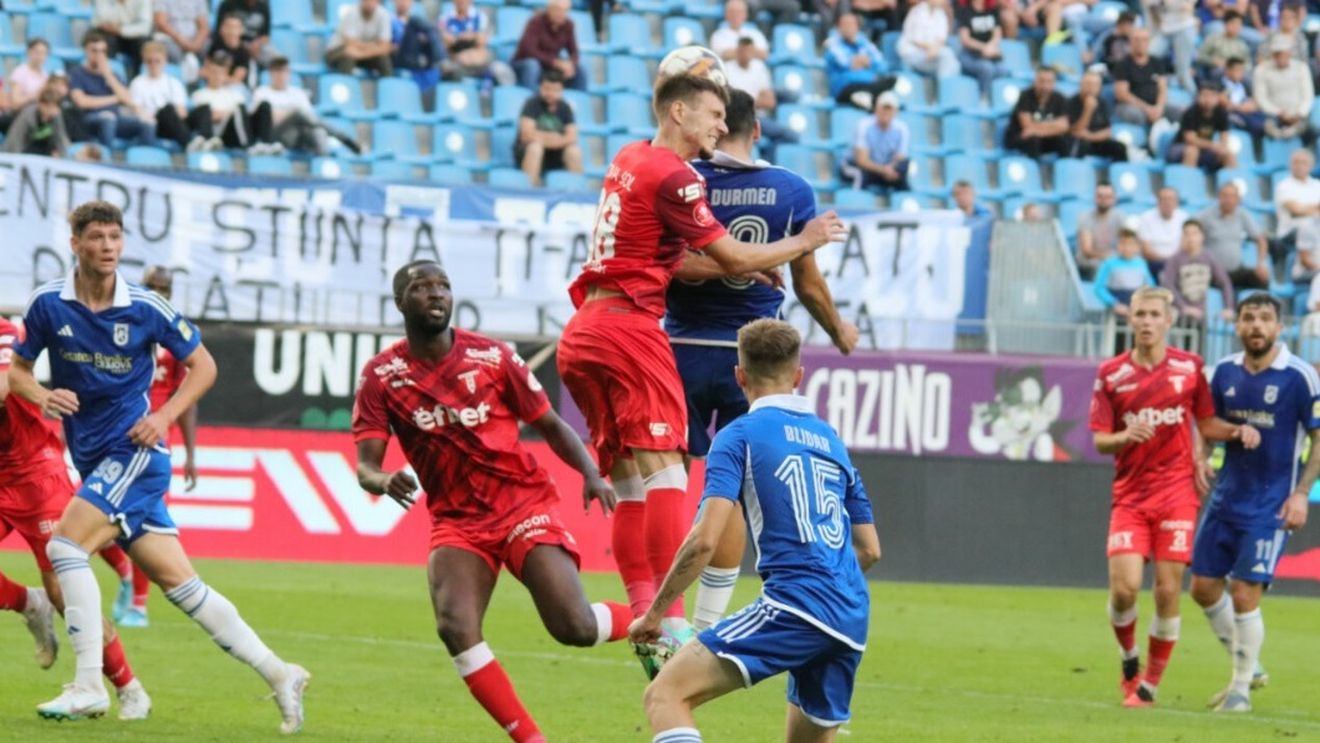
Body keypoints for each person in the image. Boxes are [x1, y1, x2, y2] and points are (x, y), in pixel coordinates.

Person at [556, 74, 846, 667]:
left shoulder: (630, 157)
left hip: (585, 331)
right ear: (679, 111)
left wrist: (726, 269)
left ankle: (645, 616)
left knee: (633, 479)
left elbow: (682, 261)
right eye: (712, 114)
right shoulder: (680, 177)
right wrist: (803, 239)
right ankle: (679, 625)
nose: (720, 125)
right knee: (671, 480)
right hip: (634, 331)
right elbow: (735, 255)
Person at [8, 200, 307, 729]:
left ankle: (87, 685)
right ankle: (280, 672)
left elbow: (204, 365)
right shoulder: (48, 305)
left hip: (136, 453)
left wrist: (165, 416)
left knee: (64, 547)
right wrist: (43, 395)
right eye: (97, 237)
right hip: (96, 457)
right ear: (74, 243)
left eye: (116, 238)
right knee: (184, 587)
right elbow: (20, 372)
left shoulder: (145, 307)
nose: (108, 247)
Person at [353, 261, 635, 743]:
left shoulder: (492, 356)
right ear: (401, 303)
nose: (436, 294)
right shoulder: (382, 375)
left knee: (576, 627)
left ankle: (653, 620)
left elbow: (549, 423)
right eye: (421, 288)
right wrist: (380, 481)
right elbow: (366, 464)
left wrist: (591, 473)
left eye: (443, 285)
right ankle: (531, 739)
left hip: (522, 504)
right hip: (458, 521)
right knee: (455, 627)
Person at [630, 318, 882, 743]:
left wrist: (655, 615)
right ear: (798, 376)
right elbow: (871, 550)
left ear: (739, 376)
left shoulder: (738, 435)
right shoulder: (831, 439)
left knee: (665, 696)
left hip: (795, 605)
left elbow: (704, 539)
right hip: (850, 616)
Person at [666, 89, 860, 631]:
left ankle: (658, 611)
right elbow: (809, 282)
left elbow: (669, 261)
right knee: (728, 490)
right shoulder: (789, 189)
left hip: (679, 349)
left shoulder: (682, 178)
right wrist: (839, 331)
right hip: (751, 358)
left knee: (667, 484)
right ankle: (704, 628)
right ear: (756, 130)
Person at [1089, 286, 1261, 708]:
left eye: (1154, 315)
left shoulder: (1189, 369)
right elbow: (1099, 441)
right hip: (1130, 495)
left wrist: (1238, 430)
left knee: (1168, 590)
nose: (1146, 321)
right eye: (1140, 314)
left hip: (1177, 494)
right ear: (1130, 319)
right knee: (1125, 589)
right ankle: (1129, 656)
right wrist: (1125, 436)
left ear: (1169, 321)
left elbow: (1206, 424)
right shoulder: (1111, 373)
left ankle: (1149, 685)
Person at [0, 316, 151, 720]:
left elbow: (2, 388)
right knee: (48, 596)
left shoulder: (4, 332)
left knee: (65, 594)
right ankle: (26, 603)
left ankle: (128, 687)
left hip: (35, 474)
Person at [1191, 293, 1316, 712]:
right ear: (1238, 325)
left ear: (1279, 327)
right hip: (1226, 497)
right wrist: (1203, 455)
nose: (1256, 326)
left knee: (1245, 591)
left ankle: (1240, 690)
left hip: (1271, 503)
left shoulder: (1299, 377)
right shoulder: (1224, 371)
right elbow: (1206, 422)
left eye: (1265, 319)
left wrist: (1300, 493)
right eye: (1248, 318)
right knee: (1204, 588)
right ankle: (1252, 666)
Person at [114, 266, 199, 628]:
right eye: (153, 287)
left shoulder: (177, 336)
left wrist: (192, 453)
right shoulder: (125, 324)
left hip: (155, 434)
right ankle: (125, 575)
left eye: (164, 288)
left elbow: (189, 395)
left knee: (144, 520)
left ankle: (139, 604)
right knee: (90, 512)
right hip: (117, 429)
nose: (159, 293)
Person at [70, 30, 158, 149]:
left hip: (116, 119)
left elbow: (127, 99)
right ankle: (107, 162)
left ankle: (144, 161)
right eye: (94, 51)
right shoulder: (77, 73)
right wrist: (115, 99)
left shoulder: (112, 75)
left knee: (147, 124)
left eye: (102, 51)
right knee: (108, 118)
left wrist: (107, 74)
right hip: (89, 119)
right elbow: (82, 102)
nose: (99, 55)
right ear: (86, 51)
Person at [191, 50, 281, 154]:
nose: (217, 76)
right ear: (208, 73)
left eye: (220, 73)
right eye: (214, 72)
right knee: (238, 109)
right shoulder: (200, 94)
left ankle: (266, 144)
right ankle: (249, 146)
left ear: (226, 75)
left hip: (240, 126)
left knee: (264, 105)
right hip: (221, 135)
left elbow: (245, 116)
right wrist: (229, 113)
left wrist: (226, 113)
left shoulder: (234, 94)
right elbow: (207, 116)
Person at [129, 40, 209, 152]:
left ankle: (205, 141)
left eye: (157, 61)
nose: (153, 64)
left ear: (165, 61)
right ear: (144, 62)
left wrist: (176, 118)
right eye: (149, 61)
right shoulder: (137, 83)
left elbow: (182, 111)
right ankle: (189, 142)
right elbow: (137, 110)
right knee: (167, 110)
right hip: (155, 124)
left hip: (175, 122)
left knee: (204, 109)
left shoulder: (174, 82)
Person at [726, 37, 798, 160]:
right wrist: (756, 101)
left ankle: (766, 162)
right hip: (736, 117)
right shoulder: (727, 69)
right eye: (743, 51)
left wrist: (745, 103)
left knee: (791, 136)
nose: (746, 54)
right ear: (737, 51)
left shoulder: (759, 67)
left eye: (749, 51)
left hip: (757, 117)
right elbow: (729, 103)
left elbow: (770, 102)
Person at [515, 68, 582, 188]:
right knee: (535, 148)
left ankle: (579, 195)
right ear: (540, 88)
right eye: (547, 89)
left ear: (561, 90)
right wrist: (555, 138)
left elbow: (572, 137)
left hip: (555, 155)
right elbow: (526, 135)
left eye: (555, 90)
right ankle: (529, 191)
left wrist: (541, 137)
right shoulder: (531, 104)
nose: (550, 93)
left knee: (573, 151)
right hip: (529, 153)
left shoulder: (565, 107)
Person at [1159, 220, 1236, 323]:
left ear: (1202, 236)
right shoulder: (1175, 259)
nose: (1191, 238)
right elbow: (1168, 285)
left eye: (1194, 233)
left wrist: (1228, 307)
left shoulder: (1209, 257)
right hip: (1180, 316)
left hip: (1201, 315)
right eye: (1186, 234)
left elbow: (1225, 282)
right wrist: (1183, 307)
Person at [1197, 182, 1271, 289]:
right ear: (1219, 197)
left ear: (1238, 199)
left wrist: (1261, 264)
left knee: (1262, 280)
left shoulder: (1242, 215)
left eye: (1232, 196)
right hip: (1212, 272)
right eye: (1225, 196)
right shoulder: (1206, 216)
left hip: (1236, 270)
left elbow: (1260, 240)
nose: (1228, 200)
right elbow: (1191, 231)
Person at [253, 56, 328, 155]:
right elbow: (260, 120)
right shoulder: (261, 92)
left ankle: (323, 160)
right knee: (297, 114)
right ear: (270, 73)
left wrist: (282, 114)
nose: (280, 75)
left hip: (297, 134)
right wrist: (291, 114)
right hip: (274, 136)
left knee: (317, 131)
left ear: (289, 73)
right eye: (277, 71)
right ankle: (340, 136)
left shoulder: (298, 93)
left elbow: (310, 118)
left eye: (283, 71)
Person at [842, 91, 910, 193]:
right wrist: (884, 170)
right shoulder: (864, 126)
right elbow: (861, 160)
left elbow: (900, 157)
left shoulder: (902, 129)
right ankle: (857, 203)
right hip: (859, 166)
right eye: (883, 108)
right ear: (876, 109)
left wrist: (891, 169)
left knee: (903, 171)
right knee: (860, 176)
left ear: (895, 112)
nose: (886, 112)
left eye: (889, 109)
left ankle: (904, 202)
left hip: (883, 168)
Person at [824, 13, 892, 110]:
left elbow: (882, 65)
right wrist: (864, 62)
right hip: (846, 86)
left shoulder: (864, 43)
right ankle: (867, 100)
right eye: (845, 24)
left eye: (852, 24)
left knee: (892, 81)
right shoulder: (832, 43)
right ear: (838, 28)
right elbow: (845, 63)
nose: (849, 28)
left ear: (857, 27)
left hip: (869, 83)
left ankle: (868, 99)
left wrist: (867, 63)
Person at [511, 0, 585, 91]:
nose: (562, 14)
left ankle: (577, 101)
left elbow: (574, 51)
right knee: (532, 66)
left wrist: (571, 63)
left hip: (550, 67)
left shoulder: (568, 25)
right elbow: (529, 50)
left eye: (565, 11)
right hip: (525, 63)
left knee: (579, 70)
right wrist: (554, 62)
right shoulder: (536, 22)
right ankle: (533, 101)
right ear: (549, 9)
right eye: (559, 10)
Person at [440, 0, 514, 86]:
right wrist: (466, 37)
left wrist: (463, 38)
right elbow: (445, 40)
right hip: (455, 59)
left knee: (501, 71)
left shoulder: (480, 17)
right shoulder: (445, 18)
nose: (461, 2)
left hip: (477, 61)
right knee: (446, 68)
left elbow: (482, 40)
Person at [1254, 35, 1314, 141]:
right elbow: (1261, 99)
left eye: (1283, 53)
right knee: (1261, 125)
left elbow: (1308, 96)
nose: (1281, 56)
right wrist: (1278, 112)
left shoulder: (1301, 68)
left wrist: (1299, 113)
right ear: (1272, 54)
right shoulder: (1261, 70)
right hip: (1273, 115)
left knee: (1313, 130)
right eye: (1277, 53)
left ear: (1289, 53)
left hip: (1298, 116)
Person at [1275, 148, 1320, 281]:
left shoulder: (1317, 185)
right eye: (1296, 162)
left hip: (1314, 229)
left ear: (1311, 166)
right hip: (1289, 232)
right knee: (1307, 224)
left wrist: (1305, 209)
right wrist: (1314, 208)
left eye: (1304, 162)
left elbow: (1301, 209)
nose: (1300, 165)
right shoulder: (1284, 185)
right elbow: (1295, 210)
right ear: (1291, 164)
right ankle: (1304, 267)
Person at [1168, 82, 1236, 171]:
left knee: (1228, 154)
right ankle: (1188, 182)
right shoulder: (1191, 112)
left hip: (1204, 150)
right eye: (1205, 95)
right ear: (1198, 97)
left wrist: (1221, 148)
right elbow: (1190, 139)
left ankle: (1231, 182)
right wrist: (1212, 146)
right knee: (1192, 151)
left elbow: (1224, 139)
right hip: (1180, 147)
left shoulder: (1221, 113)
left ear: (1217, 98)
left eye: (1212, 96)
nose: (1208, 100)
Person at [1113, 28, 1174, 125]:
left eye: (1144, 40)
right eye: (1136, 39)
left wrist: (1159, 107)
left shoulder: (1157, 62)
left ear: (1149, 42)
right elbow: (1122, 94)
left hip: (1155, 105)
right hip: (1132, 105)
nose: (1140, 43)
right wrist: (1147, 109)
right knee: (1137, 115)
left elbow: (1163, 89)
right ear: (1130, 42)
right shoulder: (1122, 64)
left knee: (1179, 113)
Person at [1006, 66, 1070, 158]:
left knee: (1064, 141)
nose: (1045, 86)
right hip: (1020, 137)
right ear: (1035, 81)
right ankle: (1034, 170)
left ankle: (1065, 169)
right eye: (1041, 81)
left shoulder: (1060, 98)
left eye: (1049, 82)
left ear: (1054, 83)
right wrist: (1054, 125)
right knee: (1033, 140)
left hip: (1042, 137)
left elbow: (1064, 126)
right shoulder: (1025, 96)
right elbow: (1027, 126)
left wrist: (1037, 130)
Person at [1068, 71, 1128, 161]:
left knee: (1120, 148)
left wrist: (1090, 136)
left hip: (1095, 139)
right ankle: (1079, 173)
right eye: (1088, 84)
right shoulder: (1071, 102)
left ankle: (1118, 173)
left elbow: (1108, 131)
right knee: (1080, 145)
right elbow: (1076, 132)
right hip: (1079, 143)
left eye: (1095, 85)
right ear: (1081, 85)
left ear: (1099, 88)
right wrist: (1088, 110)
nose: (1091, 88)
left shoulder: (1102, 103)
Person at [1094, 228, 1158, 313]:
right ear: (1117, 245)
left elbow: (1150, 285)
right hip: (1117, 305)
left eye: (1130, 244)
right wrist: (1113, 303)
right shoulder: (1109, 263)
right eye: (1123, 243)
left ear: (1137, 246)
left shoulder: (1141, 263)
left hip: (1137, 304)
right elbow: (1099, 288)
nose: (1127, 248)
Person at [326, 0, 393, 77]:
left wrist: (360, 54)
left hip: (361, 53)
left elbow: (385, 47)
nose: (371, 4)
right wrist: (374, 45)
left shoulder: (384, 14)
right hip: (337, 50)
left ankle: (387, 86)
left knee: (384, 59)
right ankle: (347, 86)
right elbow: (350, 43)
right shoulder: (351, 12)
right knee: (348, 56)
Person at [957, 0, 1008, 96]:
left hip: (990, 53)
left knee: (1002, 69)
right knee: (986, 68)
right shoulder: (965, 12)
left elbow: (997, 34)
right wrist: (984, 48)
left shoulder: (992, 11)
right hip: (970, 54)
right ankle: (983, 96)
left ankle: (997, 98)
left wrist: (990, 47)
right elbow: (965, 39)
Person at [898, 0, 961, 77]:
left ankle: (942, 86)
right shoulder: (916, 12)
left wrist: (935, 49)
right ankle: (943, 87)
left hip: (933, 54)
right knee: (947, 56)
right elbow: (915, 40)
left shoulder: (940, 14)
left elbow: (941, 38)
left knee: (955, 65)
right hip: (912, 53)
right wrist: (933, 48)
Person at [390, 0, 442, 94]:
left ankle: (439, 62)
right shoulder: (390, 20)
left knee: (428, 35)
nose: (403, 3)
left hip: (416, 55)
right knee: (415, 21)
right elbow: (386, 44)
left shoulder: (417, 25)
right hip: (399, 56)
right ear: (394, 2)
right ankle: (441, 60)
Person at [93, 0, 153, 80]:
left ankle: (138, 80)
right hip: (110, 35)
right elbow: (101, 20)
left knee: (145, 44)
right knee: (100, 43)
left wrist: (121, 30)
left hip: (135, 38)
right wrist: (119, 3)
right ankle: (104, 79)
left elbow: (145, 27)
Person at [1077, 183, 1127, 280]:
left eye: (1108, 197)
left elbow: (1126, 243)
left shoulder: (1121, 217)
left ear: (1114, 199)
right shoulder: (1085, 218)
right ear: (1095, 198)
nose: (1104, 200)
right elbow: (1087, 250)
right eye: (1100, 196)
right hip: (1091, 261)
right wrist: (1109, 257)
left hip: (1114, 259)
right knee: (1102, 267)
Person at [3, 86, 71, 156]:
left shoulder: (56, 116)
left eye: (54, 107)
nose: (50, 110)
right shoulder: (28, 114)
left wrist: (62, 155)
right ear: (40, 104)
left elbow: (59, 137)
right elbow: (16, 139)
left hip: (43, 151)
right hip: (25, 150)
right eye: (48, 106)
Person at [1146, 0, 1197, 91]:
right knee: (1149, 55)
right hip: (1164, 29)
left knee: (1182, 71)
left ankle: (1195, 98)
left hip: (1184, 27)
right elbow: (1152, 13)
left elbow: (1189, 7)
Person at [152, 0, 210, 78]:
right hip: (171, 38)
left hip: (194, 39)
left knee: (208, 46)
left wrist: (196, 43)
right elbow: (161, 23)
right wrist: (182, 41)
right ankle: (183, 78)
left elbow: (204, 26)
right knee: (172, 50)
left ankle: (201, 76)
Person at [1138, 187, 1188, 276]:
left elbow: (1185, 246)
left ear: (1177, 202)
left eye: (1171, 199)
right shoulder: (1146, 217)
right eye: (1164, 199)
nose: (1167, 203)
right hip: (1154, 263)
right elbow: (1146, 250)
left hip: (1179, 263)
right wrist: (1167, 260)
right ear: (1157, 202)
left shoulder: (1184, 217)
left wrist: (1172, 261)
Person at [1197, 10, 1252, 82]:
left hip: (1238, 73)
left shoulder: (1242, 45)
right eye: (1234, 24)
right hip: (1219, 71)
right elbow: (1200, 56)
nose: (1237, 27)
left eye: (1239, 25)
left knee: (1249, 77)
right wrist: (1213, 61)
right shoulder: (1213, 39)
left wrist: (1239, 68)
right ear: (1226, 24)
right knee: (1218, 72)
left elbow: (1248, 64)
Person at [214, 0, 271, 66]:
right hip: (231, 43)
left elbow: (266, 36)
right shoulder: (228, 4)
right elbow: (220, 31)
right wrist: (241, 45)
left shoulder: (264, 7)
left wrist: (257, 44)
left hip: (255, 45)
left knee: (277, 61)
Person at [207, 12, 253, 87]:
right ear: (221, 28)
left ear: (241, 30)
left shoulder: (243, 53)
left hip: (235, 87)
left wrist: (216, 77)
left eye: (234, 27)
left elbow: (236, 79)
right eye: (228, 26)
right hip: (215, 85)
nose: (231, 31)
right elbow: (206, 68)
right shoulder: (215, 45)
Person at [1223, 56, 1266, 137]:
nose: (1240, 73)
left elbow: (1252, 100)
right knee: (1254, 124)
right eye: (1237, 70)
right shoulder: (1222, 83)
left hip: (1246, 110)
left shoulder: (1243, 84)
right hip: (1233, 112)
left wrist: (1251, 105)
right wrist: (1240, 107)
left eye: (1242, 70)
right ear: (1228, 71)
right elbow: (1223, 102)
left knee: (1264, 115)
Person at [7, 39, 51, 113]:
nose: (40, 56)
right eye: (37, 52)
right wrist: (35, 95)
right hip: (23, 113)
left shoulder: (45, 74)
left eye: (44, 53)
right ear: (29, 52)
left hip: (40, 111)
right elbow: (15, 103)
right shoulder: (20, 72)